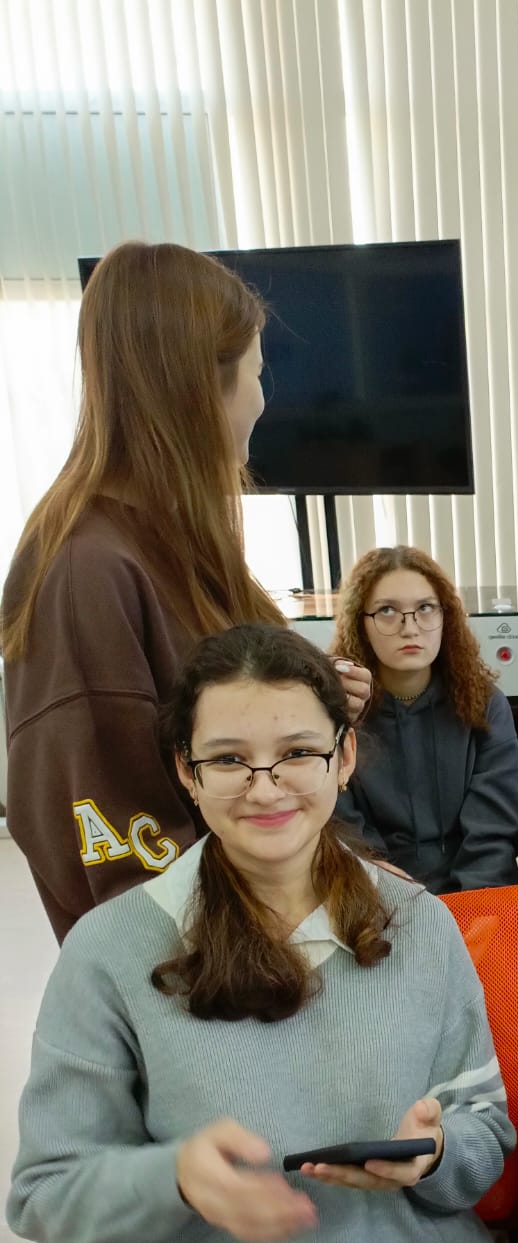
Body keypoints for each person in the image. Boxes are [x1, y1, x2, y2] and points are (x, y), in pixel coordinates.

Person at [7, 624, 518, 1243]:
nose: (266, 784)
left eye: (296, 752)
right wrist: (172, 1179)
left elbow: (486, 1126)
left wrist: (435, 1153)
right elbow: (46, 1194)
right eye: (229, 759)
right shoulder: (113, 955)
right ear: (186, 772)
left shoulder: (418, 924)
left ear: (344, 756)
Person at [0, 240, 370, 942]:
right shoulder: (84, 572)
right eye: (257, 373)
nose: (262, 399)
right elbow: (124, 873)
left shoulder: (172, 540)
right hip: (212, 971)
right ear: (202, 388)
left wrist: (313, 697)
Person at [330, 546, 518, 893]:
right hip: (380, 899)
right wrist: (404, 904)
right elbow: (347, 834)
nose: (410, 628)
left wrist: (469, 912)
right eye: (387, 610)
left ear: (444, 616)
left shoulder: (484, 705)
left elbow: (492, 835)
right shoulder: (339, 715)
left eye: (425, 608)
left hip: (477, 897)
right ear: (361, 624)